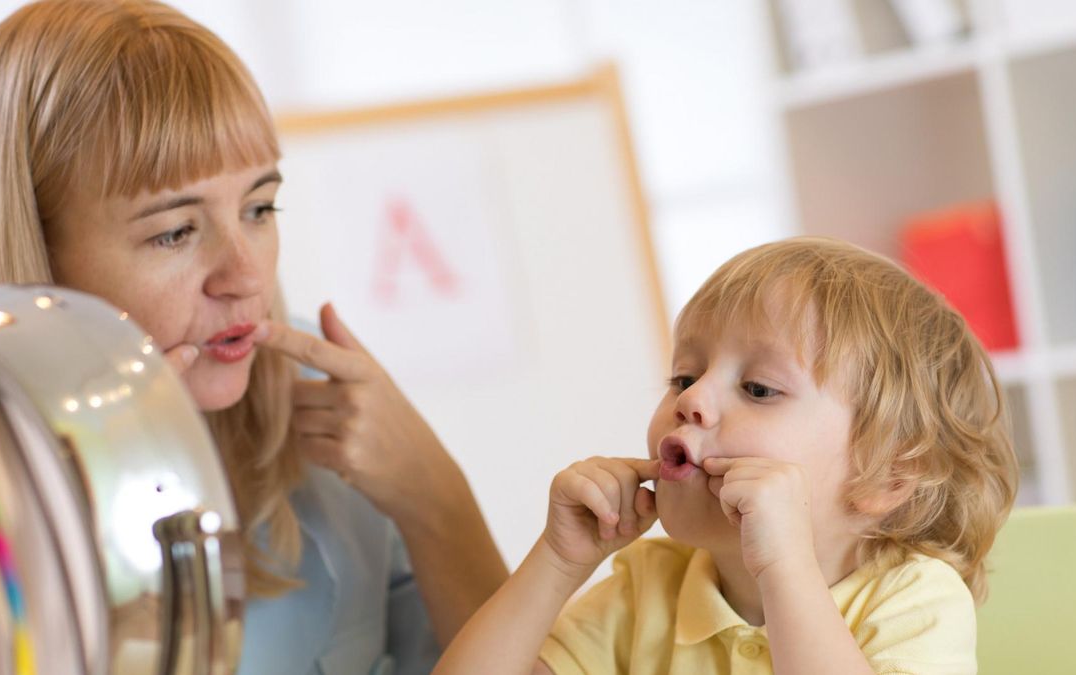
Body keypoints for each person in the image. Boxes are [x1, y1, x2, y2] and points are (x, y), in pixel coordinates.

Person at [0, 1, 507, 673]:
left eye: (259, 208)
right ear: (37, 255)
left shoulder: (326, 402)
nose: (243, 276)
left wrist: (432, 492)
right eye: (175, 231)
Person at [435, 236, 1020, 674]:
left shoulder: (913, 598)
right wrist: (558, 563)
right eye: (683, 375)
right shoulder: (647, 588)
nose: (691, 399)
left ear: (887, 477)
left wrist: (785, 569)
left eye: (759, 389)